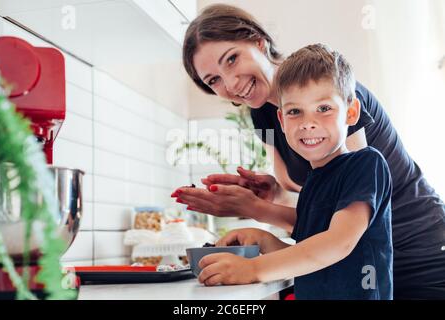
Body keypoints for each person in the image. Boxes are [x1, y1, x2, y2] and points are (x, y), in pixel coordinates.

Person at [172, 4, 445, 299]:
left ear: (258, 40)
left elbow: (346, 228)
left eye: (232, 59)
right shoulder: (262, 114)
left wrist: (254, 227)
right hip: (354, 268)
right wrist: (269, 195)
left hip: (418, 251)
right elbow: (318, 210)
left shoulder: (336, 93)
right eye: (213, 80)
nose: (230, 83)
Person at [197, 44, 393, 300]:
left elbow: (337, 243)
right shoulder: (313, 181)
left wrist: (253, 268)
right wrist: (264, 240)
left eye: (323, 108)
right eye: (294, 112)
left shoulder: (366, 165)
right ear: (281, 120)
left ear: (352, 112)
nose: (308, 123)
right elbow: (312, 254)